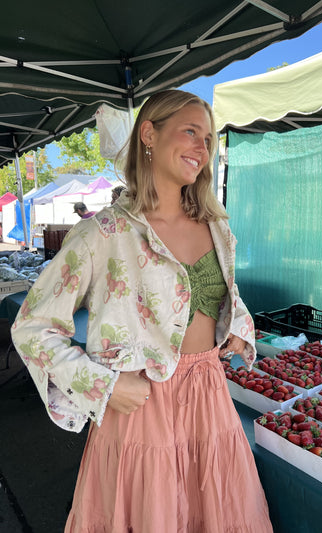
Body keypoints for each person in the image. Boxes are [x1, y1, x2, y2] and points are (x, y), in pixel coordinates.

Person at [11, 89, 274, 533]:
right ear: (149, 134)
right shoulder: (103, 233)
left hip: (210, 400)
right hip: (139, 409)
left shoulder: (219, 226)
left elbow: (221, 295)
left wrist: (236, 327)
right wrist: (105, 386)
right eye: (190, 132)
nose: (202, 148)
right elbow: (32, 328)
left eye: (208, 139)